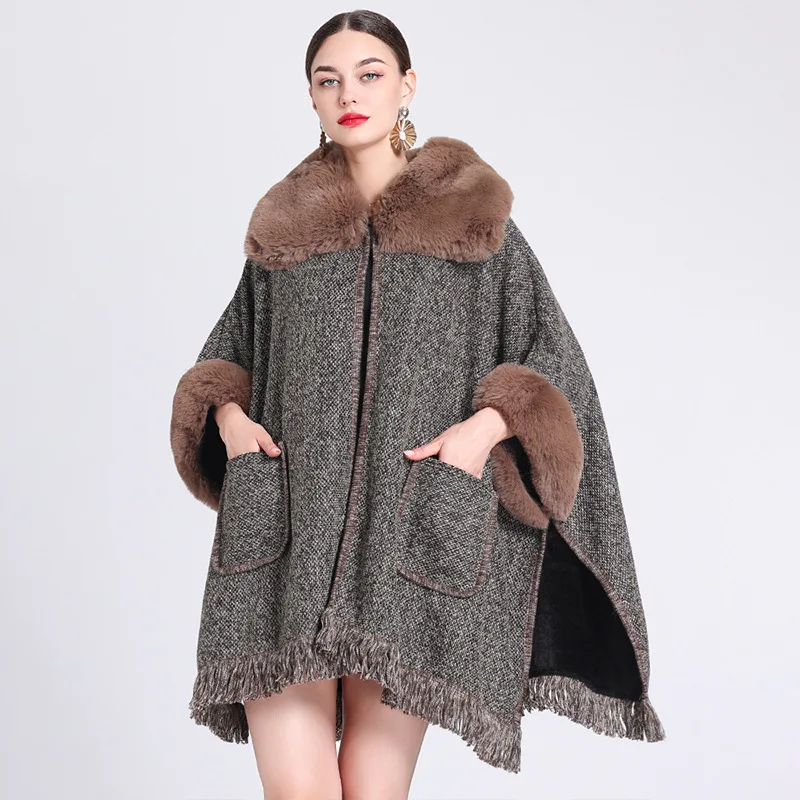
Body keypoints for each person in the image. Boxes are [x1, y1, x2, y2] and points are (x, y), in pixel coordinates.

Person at [169, 8, 666, 799]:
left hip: (408, 548)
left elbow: (556, 361)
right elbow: (230, 351)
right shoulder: (282, 235)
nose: (349, 94)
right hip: (283, 545)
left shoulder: (477, 227)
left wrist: (485, 428)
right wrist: (227, 418)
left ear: (406, 84)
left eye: (369, 74)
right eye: (329, 80)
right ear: (311, 97)